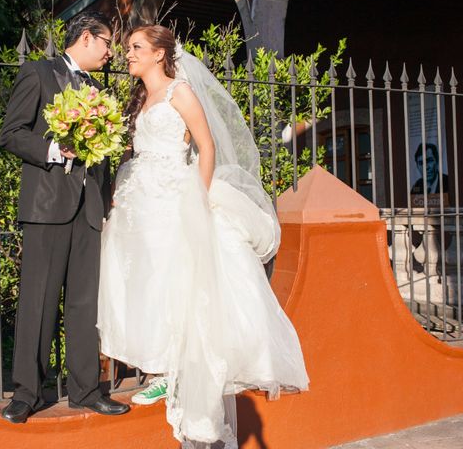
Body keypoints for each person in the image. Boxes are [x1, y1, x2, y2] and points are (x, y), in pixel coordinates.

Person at [97, 25, 309, 447]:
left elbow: (207, 147)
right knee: (147, 284)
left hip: (177, 197)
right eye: (127, 49)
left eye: (136, 48)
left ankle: (177, 372)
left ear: (160, 54)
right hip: (141, 204)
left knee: (181, 284)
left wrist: (200, 195)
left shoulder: (180, 93)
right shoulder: (141, 100)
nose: (128, 55)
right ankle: (163, 368)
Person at [0, 11, 129, 423]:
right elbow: (12, 133)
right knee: (38, 301)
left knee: (84, 305)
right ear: (87, 38)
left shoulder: (98, 90)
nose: (111, 53)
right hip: (46, 206)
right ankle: (27, 394)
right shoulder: (38, 72)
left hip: (89, 210)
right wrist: (56, 151)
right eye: (108, 43)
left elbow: (104, 154)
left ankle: (86, 391)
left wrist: (105, 201)